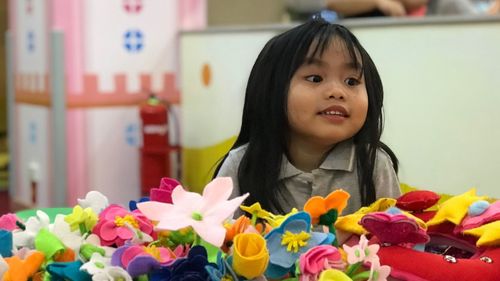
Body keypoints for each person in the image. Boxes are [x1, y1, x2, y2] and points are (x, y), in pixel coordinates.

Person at [214, 15, 400, 215]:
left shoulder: (373, 164)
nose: (337, 92)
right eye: (315, 78)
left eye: (352, 82)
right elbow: (217, 242)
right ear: (271, 89)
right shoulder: (242, 165)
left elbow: (397, 238)